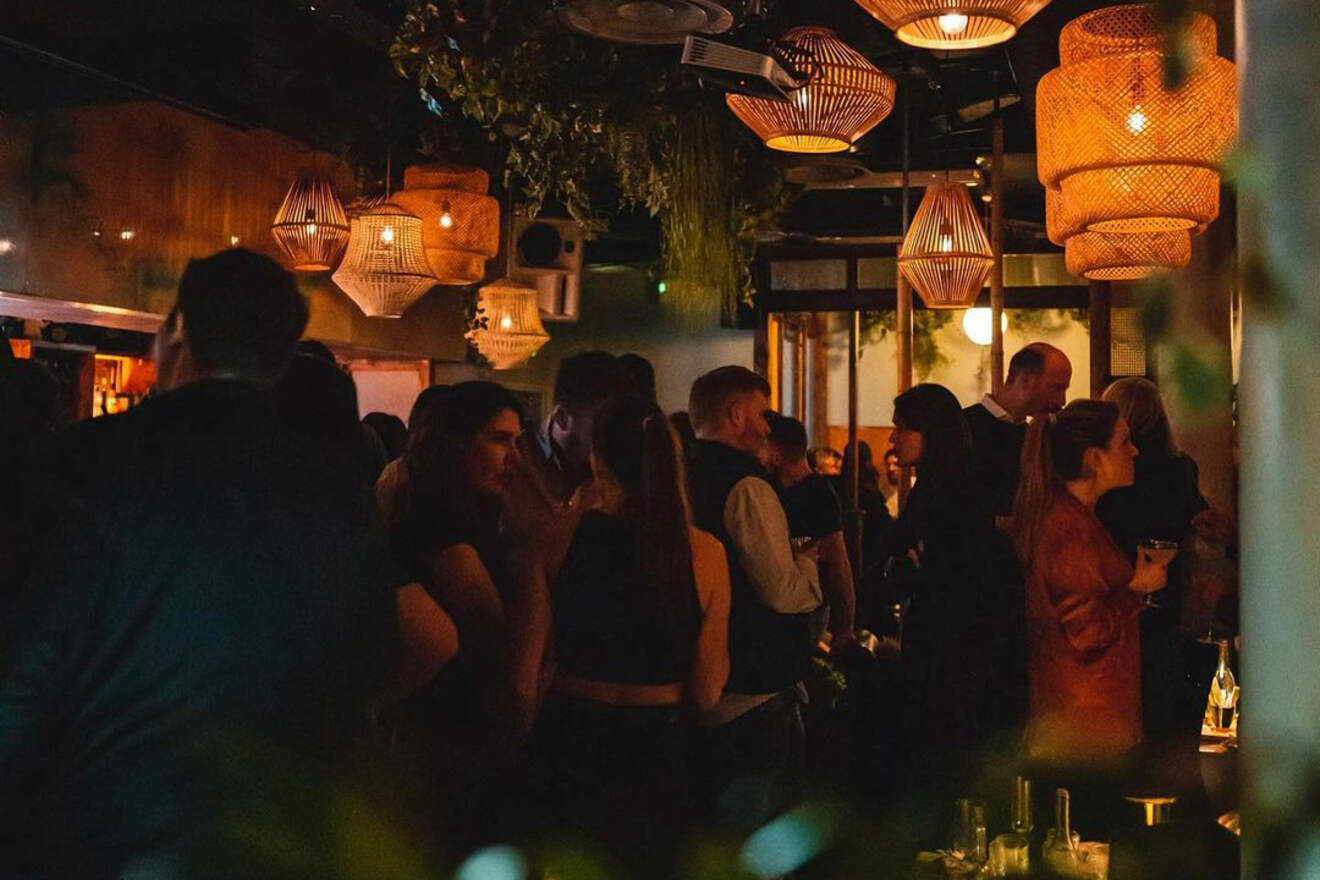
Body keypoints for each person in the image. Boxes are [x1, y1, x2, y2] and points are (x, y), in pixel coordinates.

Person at [0, 249, 398, 875]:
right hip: (272, 843)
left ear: (177, 331)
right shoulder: (338, 494)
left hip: (95, 839)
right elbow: (367, 665)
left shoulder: (87, 463)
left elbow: (24, 666)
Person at [510, 396, 730, 872]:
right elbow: (709, 690)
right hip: (658, 742)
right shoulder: (704, 553)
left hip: (571, 732)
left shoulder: (556, 537)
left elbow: (523, 677)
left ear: (597, 459)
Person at [383, 380, 524, 849]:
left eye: (519, 442)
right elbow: (493, 628)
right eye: (499, 439)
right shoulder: (442, 526)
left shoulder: (473, 514)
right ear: (458, 443)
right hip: (450, 731)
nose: (514, 458)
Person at [686, 366, 821, 818]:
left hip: (696, 680)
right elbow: (780, 591)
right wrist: (806, 564)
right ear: (737, 414)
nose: (767, 427)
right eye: (762, 415)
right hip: (752, 690)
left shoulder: (678, 473)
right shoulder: (745, 486)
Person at [1013, 399, 1171, 767]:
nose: (1135, 451)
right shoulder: (1071, 530)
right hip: (1085, 731)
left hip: (1081, 724)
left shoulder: (1071, 518)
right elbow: (1086, 632)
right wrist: (1138, 589)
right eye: (1123, 442)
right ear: (1094, 458)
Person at [882, 384, 1024, 769]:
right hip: (951, 649)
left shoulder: (950, 494)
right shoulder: (941, 485)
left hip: (952, 654)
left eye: (902, 427)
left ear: (930, 431)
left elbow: (952, 572)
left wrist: (907, 568)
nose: (893, 437)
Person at [1095, 377, 1213, 776]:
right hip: (1168, 585)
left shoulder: (1111, 470)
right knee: (1162, 677)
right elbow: (1200, 520)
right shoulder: (1180, 468)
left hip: (1115, 582)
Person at [504, 351, 636, 549]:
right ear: (562, 418)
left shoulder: (611, 473)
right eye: (601, 427)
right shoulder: (511, 461)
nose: (611, 439)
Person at [764, 413, 856, 649]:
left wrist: (844, 630)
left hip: (807, 611)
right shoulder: (816, 490)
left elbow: (837, 562)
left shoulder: (817, 494)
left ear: (775, 453)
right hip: (795, 606)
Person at [965, 343, 1073, 518]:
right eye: (1057, 388)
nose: (1062, 401)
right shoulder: (964, 429)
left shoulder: (1033, 436)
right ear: (1024, 380)